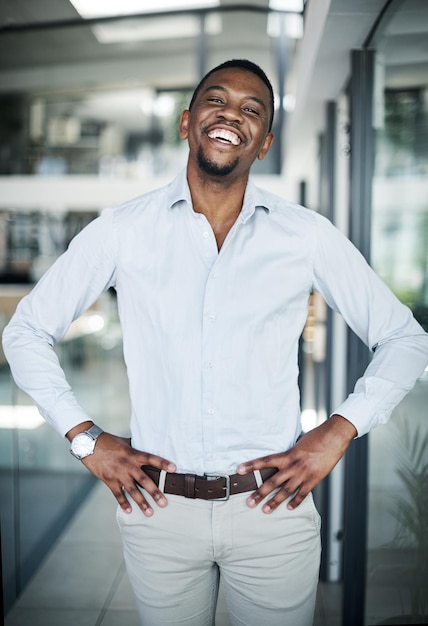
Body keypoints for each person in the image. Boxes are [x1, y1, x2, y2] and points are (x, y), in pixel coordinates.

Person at [3, 59, 428, 626]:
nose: (233, 114)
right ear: (187, 122)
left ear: (265, 142)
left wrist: (338, 431)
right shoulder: (122, 230)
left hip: (272, 510)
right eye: (217, 100)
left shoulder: (305, 235)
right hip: (158, 512)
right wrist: (86, 439)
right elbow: (25, 330)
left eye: (252, 110)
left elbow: (405, 339)